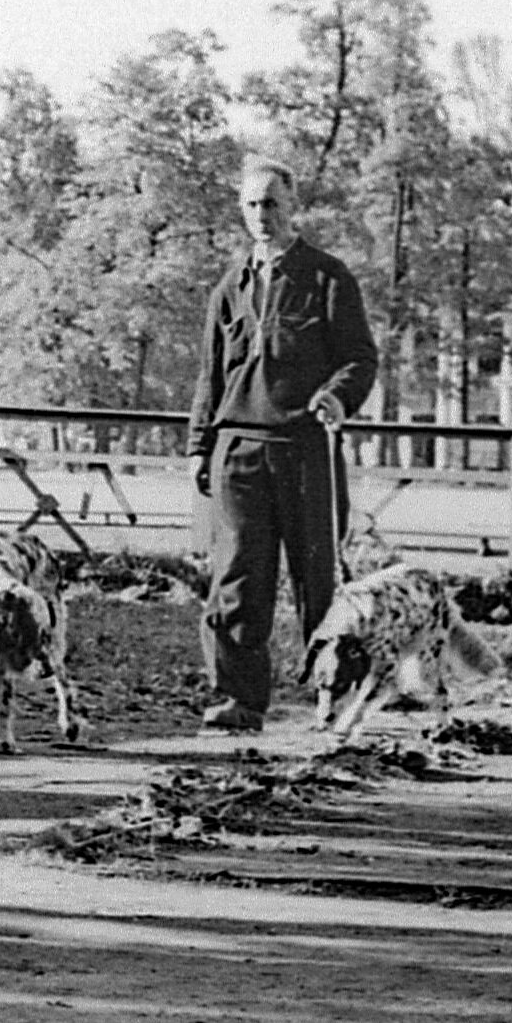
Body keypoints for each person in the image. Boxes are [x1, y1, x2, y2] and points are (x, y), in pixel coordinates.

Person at [186, 157, 378, 733]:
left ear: (293, 206)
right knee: (237, 576)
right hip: (238, 449)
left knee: (319, 577)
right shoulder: (230, 287)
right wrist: (199, 445)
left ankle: (337, 697)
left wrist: (337, 396)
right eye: (251, 205)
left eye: (271, 203)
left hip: (305, 448)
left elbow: (359, 358)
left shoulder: (327, 277)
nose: (261, 215)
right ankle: (238, 700)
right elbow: (210, 375)